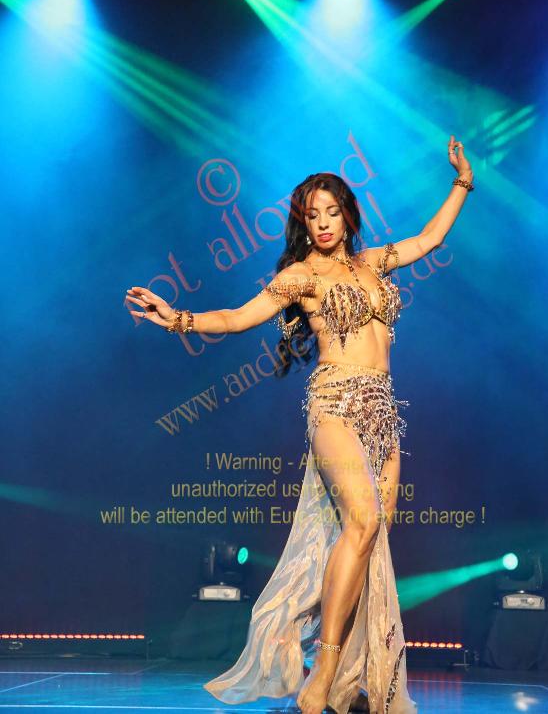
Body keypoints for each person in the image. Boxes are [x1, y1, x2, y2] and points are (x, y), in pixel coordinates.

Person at [126, 135, 474, 714]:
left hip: (383, 417)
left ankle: (343, 678)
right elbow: (237, 318)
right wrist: (178, 318)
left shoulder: (374, 262)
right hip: (333, 405)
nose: (323, 222)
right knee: (363, 519)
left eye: (332, 211)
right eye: (313, 215)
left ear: (348, 215)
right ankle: (326, 667)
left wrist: (463, 181)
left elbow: (430, 238)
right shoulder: (301, 276)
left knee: (367, 543)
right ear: (304, 224)